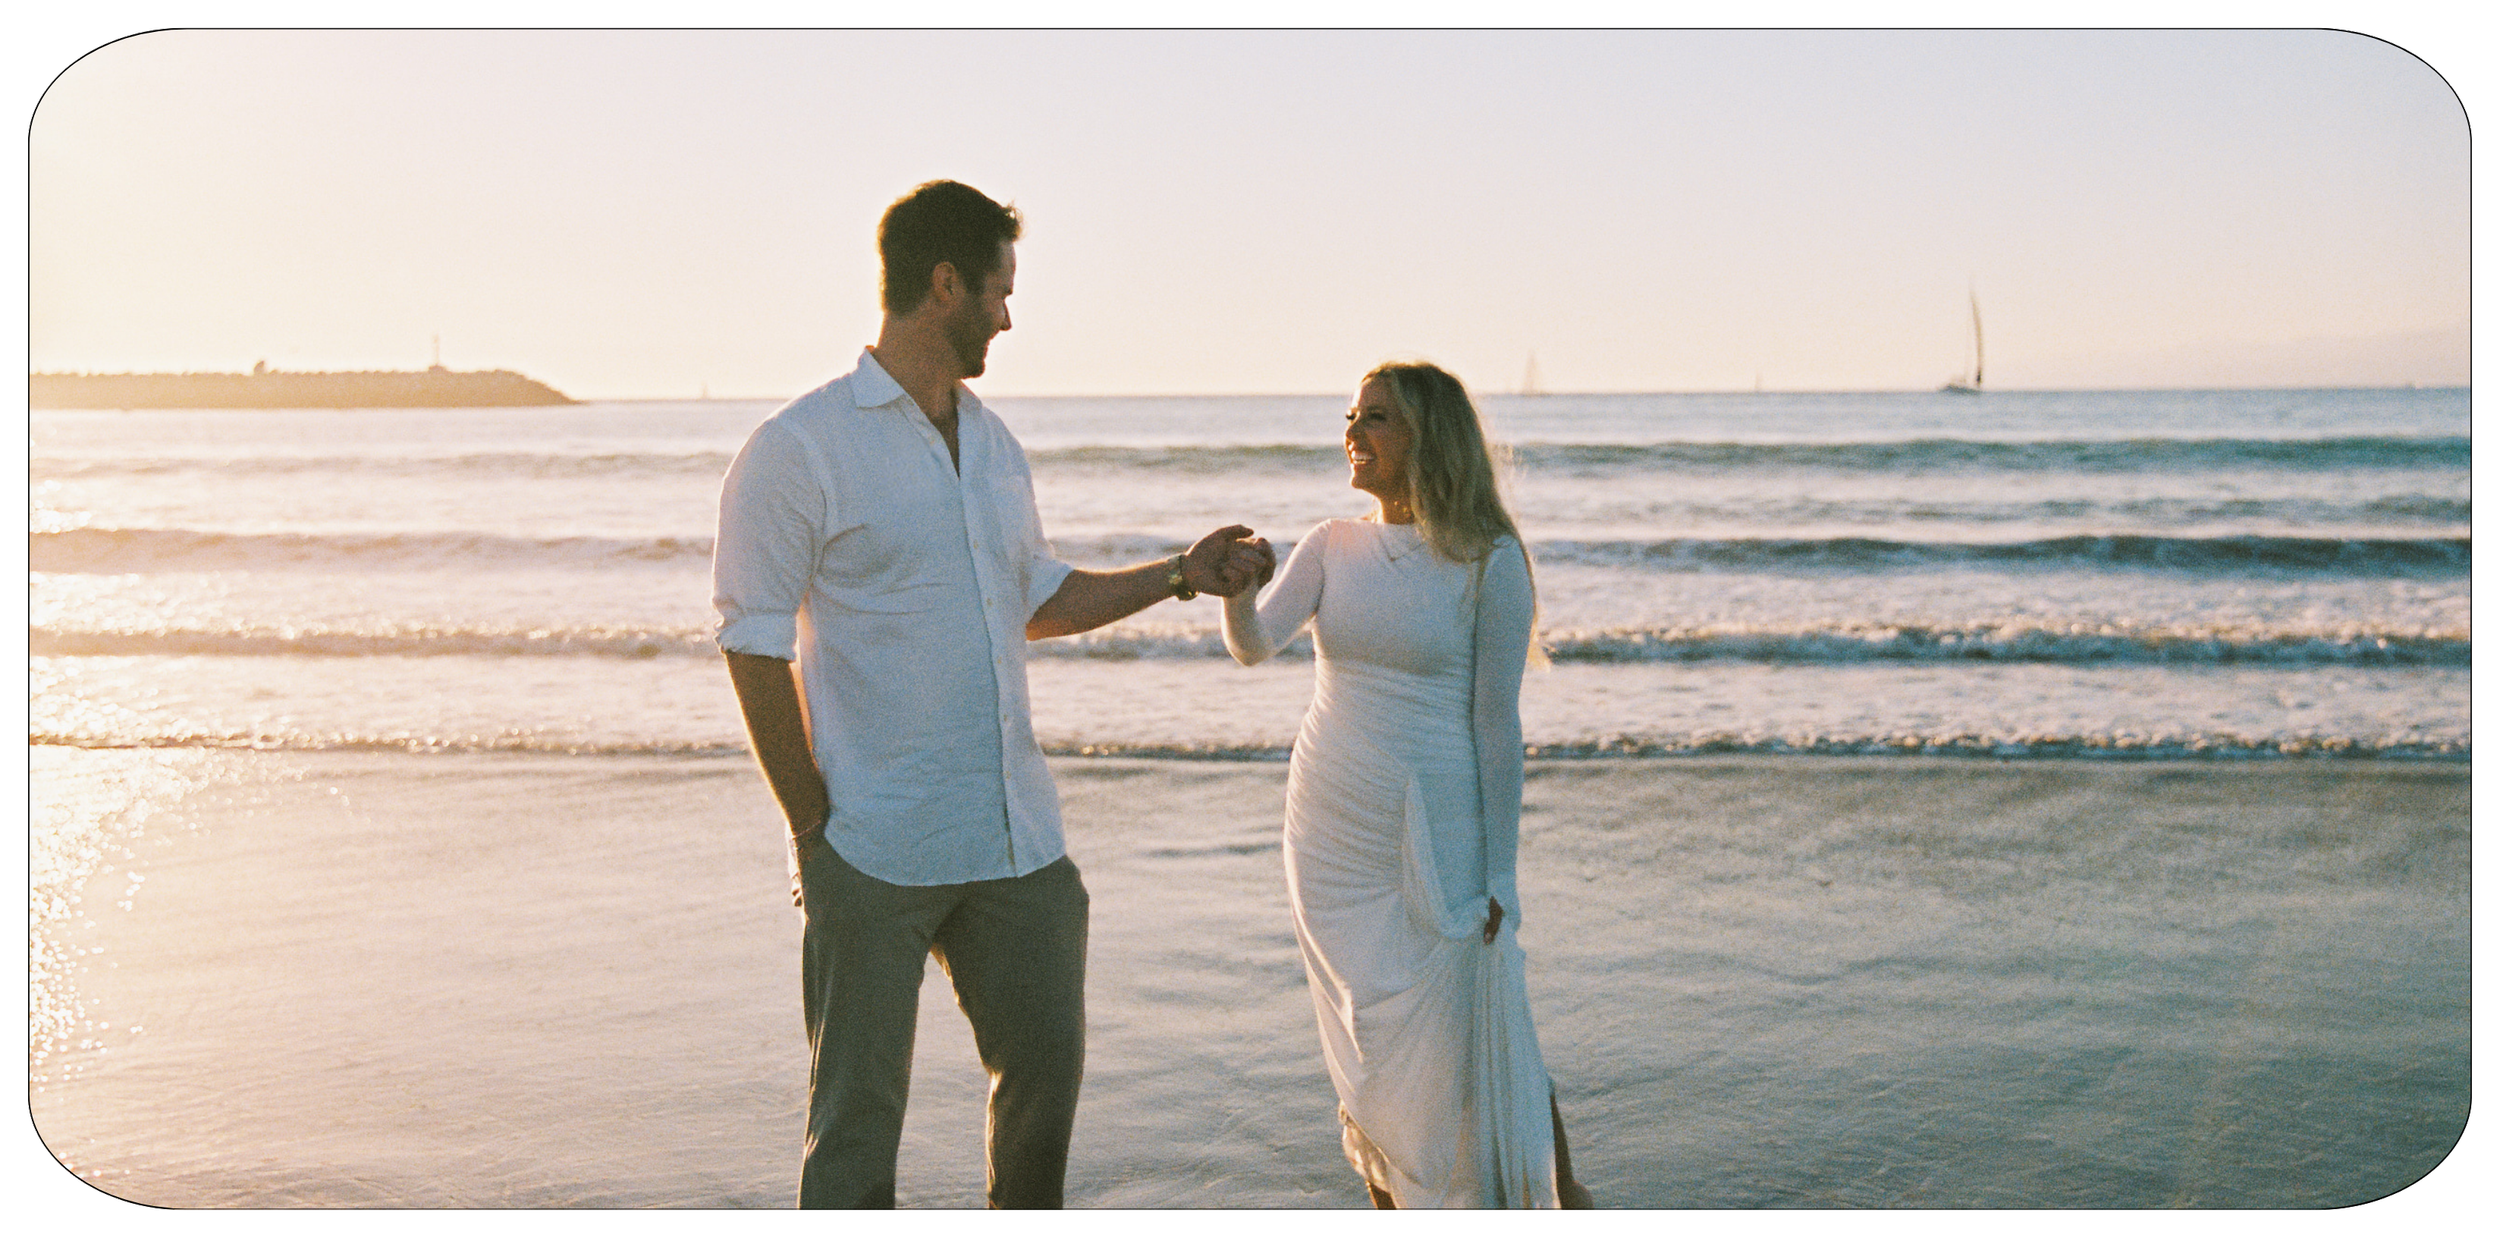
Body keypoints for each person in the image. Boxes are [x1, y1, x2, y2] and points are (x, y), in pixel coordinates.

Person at [712, 180, 1272, 1210]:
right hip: (871, 843)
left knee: (1043, 1090)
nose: (1009, 316)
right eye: (999, 291)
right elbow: (751, 644)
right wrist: (810, 828)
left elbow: (1034, 598)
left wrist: (1178, 574)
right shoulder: (800, 447)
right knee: (853, 1129)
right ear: (944, 283)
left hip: (1017, 840)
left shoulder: (997, 446)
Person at [1221, 361, 1592, 1210]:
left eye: (1377, 417)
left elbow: (1497, 725)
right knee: (1369, 1030)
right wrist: (1238, 594)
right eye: (1353, 414)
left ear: (1428, 436)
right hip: (1331, 823)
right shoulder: (1330, 544)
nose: (1354, 430)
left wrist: (1501, 874)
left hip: (1441, 826)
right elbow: (1254, 645)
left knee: (1478, 1012)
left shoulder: (1489, 560)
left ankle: (1559, 1193)